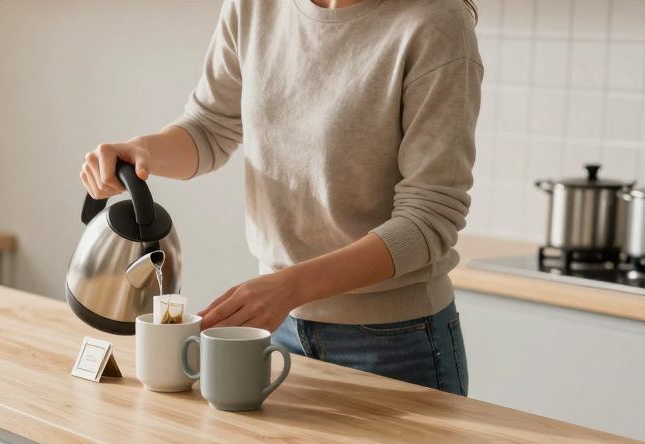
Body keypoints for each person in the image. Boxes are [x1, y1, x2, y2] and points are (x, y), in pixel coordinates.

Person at [80, 0, 481, 395]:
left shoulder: (436, 23)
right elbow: (209, 127)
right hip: (278, 325)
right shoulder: (252, 6)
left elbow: (429, 219)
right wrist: (141, 152)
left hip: (395, 342)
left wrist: (290, 286)